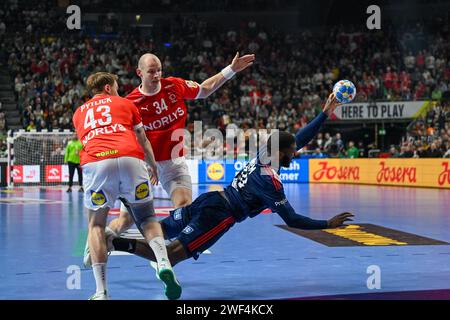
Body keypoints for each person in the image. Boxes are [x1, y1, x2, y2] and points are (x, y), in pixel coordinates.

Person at [108, 93, 354, 271]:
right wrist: (327, 224)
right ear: (283, 152)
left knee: (159, 231)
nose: (296, 154)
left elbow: (299, 138)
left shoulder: (265, 153)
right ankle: (118, 242)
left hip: (210, 199)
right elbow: (292, 219)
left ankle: (127, 214)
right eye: (293, 152)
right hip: (220, 215)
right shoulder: (271, 180)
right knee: (171, 256)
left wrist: (324, 114)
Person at [104, 52, 255, 241]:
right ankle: (98, 243)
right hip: (144, 166)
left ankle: (159, 249)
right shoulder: (131, 104)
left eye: (159, 70)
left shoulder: (174, 85)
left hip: (174, 163)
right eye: (151, 71)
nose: (157, 75)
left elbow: (205, 89)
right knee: (125, 220)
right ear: (139, 73)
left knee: (185, 209)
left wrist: (231, 69)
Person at [72, 72, 181, 300]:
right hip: (131, 159)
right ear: (109, 88)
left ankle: (101, 291)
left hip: (98, 162)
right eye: (117, 86)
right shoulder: (125, 103)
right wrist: (152, 166)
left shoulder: (79, 113)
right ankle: (163, 264)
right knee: (147, 218)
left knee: (96, 225)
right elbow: (142, 138)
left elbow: (89, 139)